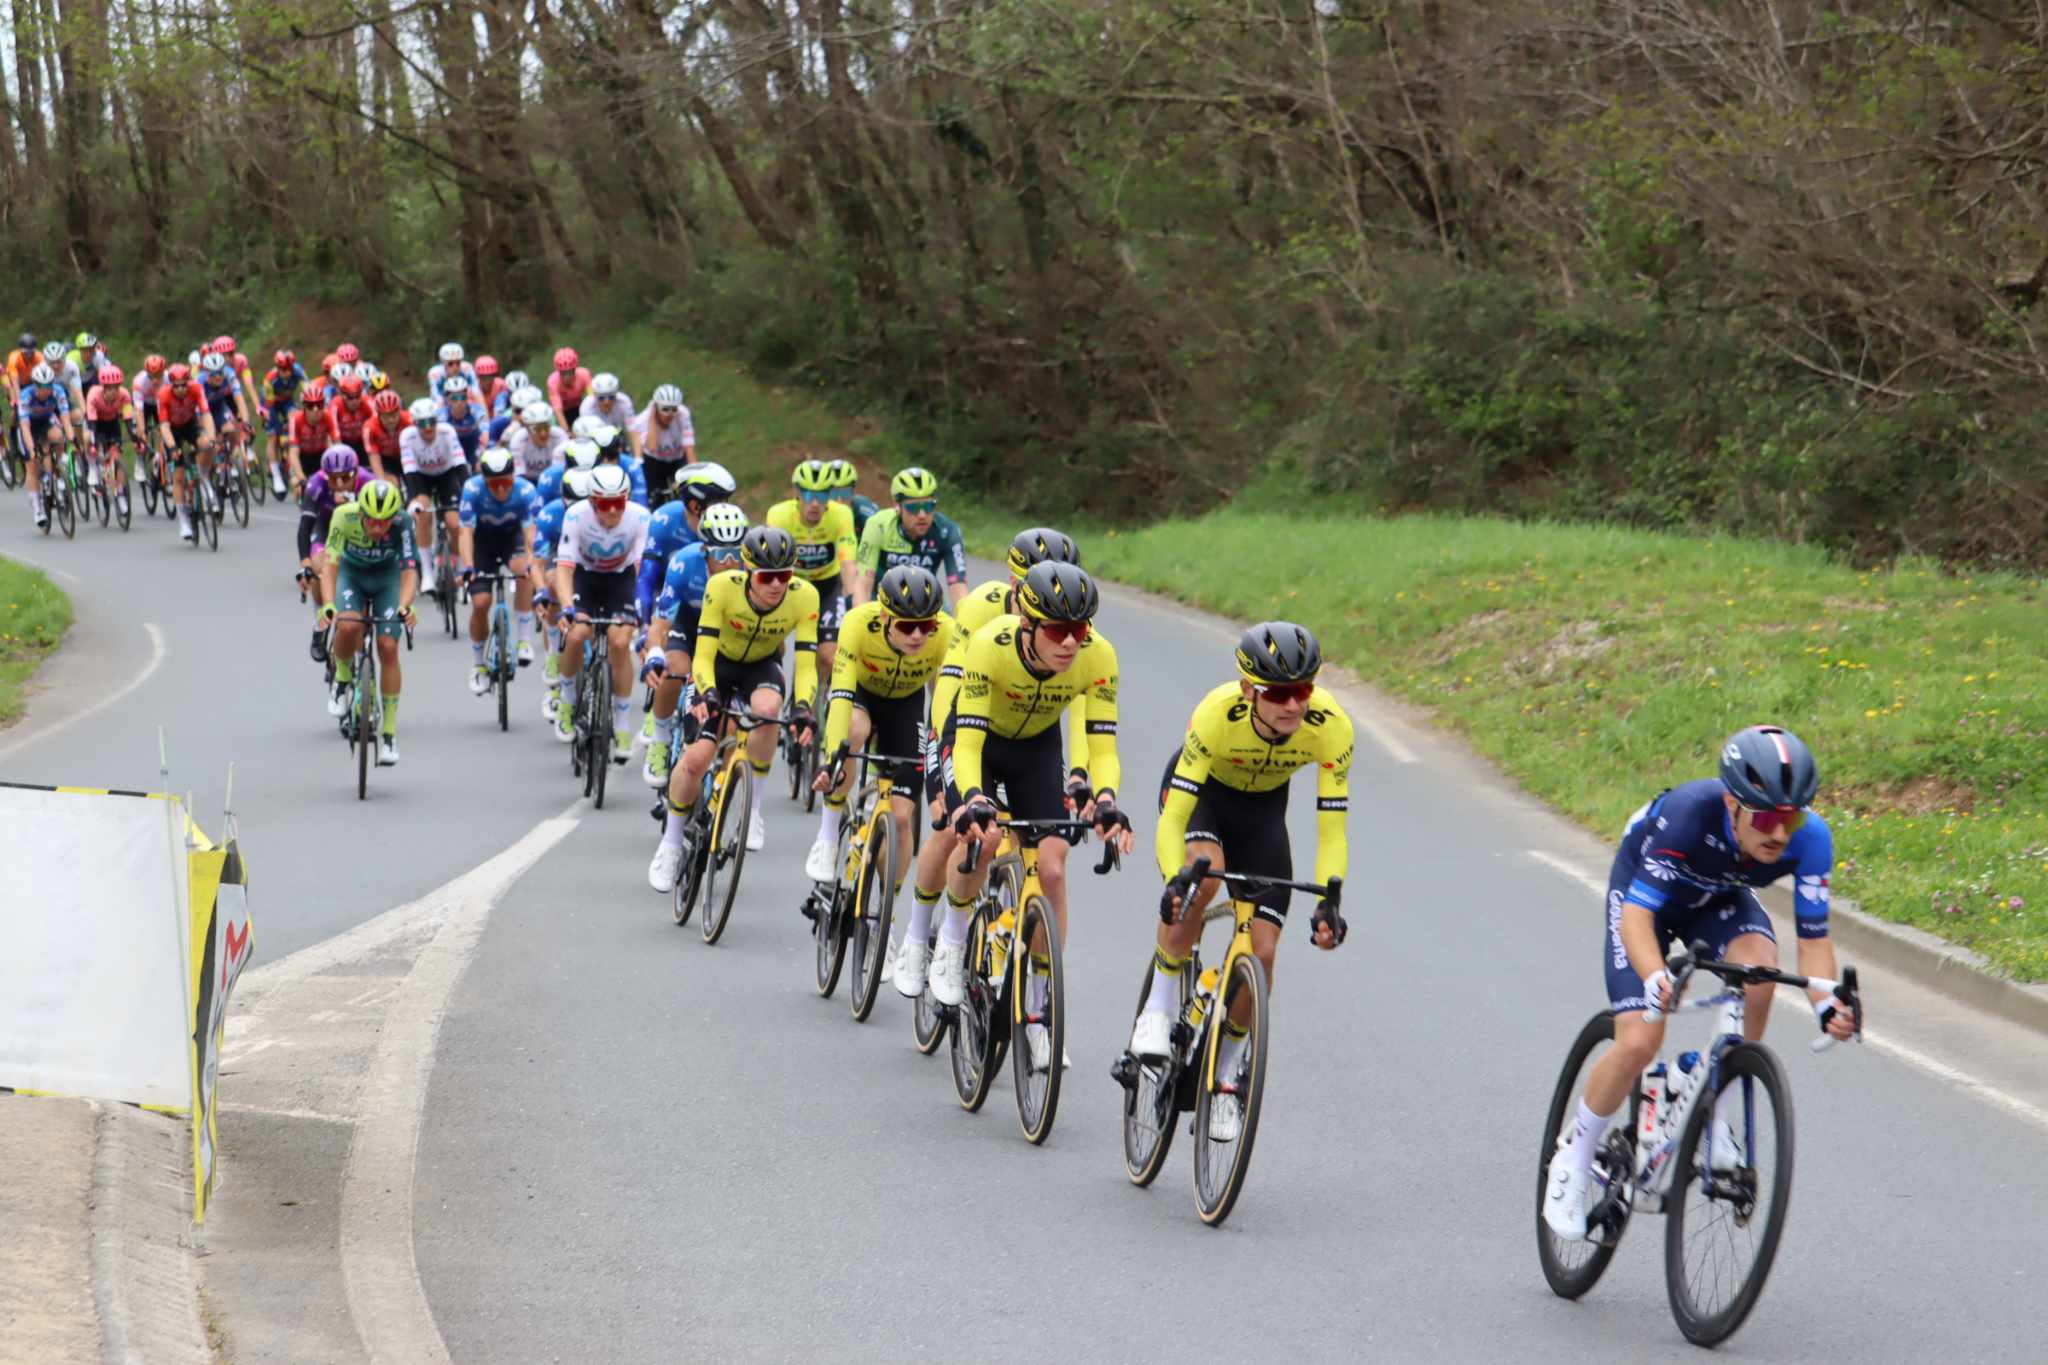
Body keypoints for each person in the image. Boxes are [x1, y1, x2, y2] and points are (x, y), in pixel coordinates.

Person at [1541, 725, 1860, 1242]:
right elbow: (1638, 917)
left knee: (1760, 970)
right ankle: (1573, 1158)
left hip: (1715, 900)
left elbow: (1814, 939)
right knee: (1641, 1040)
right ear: (1733, 803)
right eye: (1766, 818)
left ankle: (1713, 1099)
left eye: (1792, 817)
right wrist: (1654, 977)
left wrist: (1827, 1003)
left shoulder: (1812, 840)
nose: (1780, 834)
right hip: (1646, 902)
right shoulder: (1690, 813)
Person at [1130, 623, 1354, 1140]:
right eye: (1279, 693)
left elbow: (1332, 827)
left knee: (1264, 954)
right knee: (1202, 877)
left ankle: (1227, 1074)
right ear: (1250, 690)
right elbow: (1173, 817)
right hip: (1204, 796)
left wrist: (1330, 899)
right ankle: (1159, 1008)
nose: (1294, 706)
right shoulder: (1216, 714)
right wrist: (1173, 880)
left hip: (1262, 814)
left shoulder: (1332, 727)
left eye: (1304, 690)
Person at [647, 526, 818, 890]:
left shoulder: (805, 597)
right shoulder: (723, 588)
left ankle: (752, 810)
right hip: (718, 667)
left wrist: (803, 706)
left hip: (761, 666)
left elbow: (804, 664)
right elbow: (704, 653)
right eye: (767, 576)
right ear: (747, 571)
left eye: (784, 576)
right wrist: (705, 693)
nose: (777, 585)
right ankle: (672, 842)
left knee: (769, 708)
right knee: (696, 758)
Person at [804, 565, 955, 883]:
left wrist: (940, 756)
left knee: (901, 818)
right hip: (860, 693)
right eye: (907, 626)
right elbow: (842, 693)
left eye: (926, 625)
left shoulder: (944, 633)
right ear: (885, 618)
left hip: (906, 704)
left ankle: (884, 920)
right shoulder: (858, 624)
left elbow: (944, 702)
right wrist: (834, 757)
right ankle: (828, 836)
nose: (918, 635)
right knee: (855, 729)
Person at [640, 503, 751, 788]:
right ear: (704, 550)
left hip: (730, 636)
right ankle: (662, 739)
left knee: (733, 722)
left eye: (735, 553)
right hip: (688, 627)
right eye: (720, 553)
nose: (729, 561)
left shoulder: (752, 572)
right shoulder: (683, 563)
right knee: (674, 668)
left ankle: (721, 791)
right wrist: (654, 653)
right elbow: (661, 624)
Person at [551, 463, 652, 763]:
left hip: (621, 580)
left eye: (618, 503)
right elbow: (564, 569)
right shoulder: (576, 515)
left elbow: (641, 571)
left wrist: (641, 613)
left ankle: (621, 726)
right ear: (592, 501)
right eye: (604, 505)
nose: (612, 511)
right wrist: (568, 608)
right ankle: (568, 702)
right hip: (585, 577)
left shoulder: (639, 517)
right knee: (577, 633)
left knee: (620, 643)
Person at [319, 479, 419, 765]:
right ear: (361, 514)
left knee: (388, 646)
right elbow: (330, 564)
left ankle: (388, 731)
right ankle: (342, 678)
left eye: (384, 523)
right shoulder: (343, 516)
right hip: (352, 575)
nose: (377, 528)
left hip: (387, 579)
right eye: (372, 522)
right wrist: (328, 604)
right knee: (348, 624)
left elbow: (410, 571)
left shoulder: (403, 523)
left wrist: (404, 605)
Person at [767, 458, 858, 702]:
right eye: (808, 495)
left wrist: (853, 605)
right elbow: (772, 563)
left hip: (826, 587)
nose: (815, 503)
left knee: (829, 655)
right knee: (773, 647)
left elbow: (849, 564)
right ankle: (777, 692)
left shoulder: (841, 515)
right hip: (789, 586)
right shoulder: (779, 515)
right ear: (797, 494)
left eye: (822, 495)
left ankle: (810, 700)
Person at [457, 446, 542, 691]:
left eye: (506, 482)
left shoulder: (526, 491)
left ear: (513, 476)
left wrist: (532, 564)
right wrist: (469, 566)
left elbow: (530, 534)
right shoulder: (472, 490)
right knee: (481, 602)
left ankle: (524, 640)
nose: (502, 489)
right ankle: (478, 664)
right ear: (484, 481)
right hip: (482, 544)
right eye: (494, 485)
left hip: (511, 540)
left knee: (523, 569)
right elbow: (465, 533)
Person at [852, 466, 969, 608]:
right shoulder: (878, 526)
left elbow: (959, 590)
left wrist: (965, 626)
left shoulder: (948, 531)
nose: (922, 515)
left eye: (929, 506)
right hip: (882, 604)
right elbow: (863, 586)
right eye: (913, 508)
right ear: (897, 506)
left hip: (925, 605)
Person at [298, 445, 363, 660]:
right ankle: (320, 625)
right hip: (324, 530)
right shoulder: (316, 484)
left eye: (345, 477)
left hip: (357, 534)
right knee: (319, 567)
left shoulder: (367, 482)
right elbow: (305, 526)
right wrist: (305, 562)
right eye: (333, 478)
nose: (339, 483)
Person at [400, 398, 467, 597]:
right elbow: (409, 470)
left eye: (431, 422)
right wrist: (414, 501)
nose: (428, 428)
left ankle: (460, 567)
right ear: (415, 424)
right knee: (423, 514)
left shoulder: (447, 432)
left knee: (454, 523)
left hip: (447, 475)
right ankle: (428, 574)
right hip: (421, 477)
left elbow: (460, 465)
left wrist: (469, 495)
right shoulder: (407, 437)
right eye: (422, 423)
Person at [155, 361, 218, 542]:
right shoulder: (164, 395)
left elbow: (206, 415)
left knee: (206, 445)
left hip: (190, 425)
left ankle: (203, 477)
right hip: (172, 431)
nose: (182, 389)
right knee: (179, 476)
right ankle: (183, 519)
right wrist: (173, 447)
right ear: (171, 385)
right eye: (177, 386)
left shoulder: (196, 389)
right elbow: (164, 426)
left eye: (184, 385)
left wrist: (212, 438)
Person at [16, 363, 75, 529]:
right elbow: (25, 428)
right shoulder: (26, 397)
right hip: (29, 428)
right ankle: (37, 507)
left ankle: (59, 471)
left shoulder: (58, 391)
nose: (46, 389)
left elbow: (65, 419)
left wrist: (72, 438)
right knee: (32, 465)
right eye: (43, 386)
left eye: (49, 385)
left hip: (46, 422)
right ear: (35, 385)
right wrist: (32, 450)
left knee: (59, 436)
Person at [81, 365, 134, 516]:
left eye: (116, 388)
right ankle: (92, 467)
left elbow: (128, 419)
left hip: (112, 423)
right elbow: (91, 423)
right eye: (109, 388)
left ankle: (120, 494)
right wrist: (92, 443)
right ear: (103, 387)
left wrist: (135, 437)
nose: (113, 392)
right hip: (95, 422)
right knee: (87, 438)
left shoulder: (124, 395)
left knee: (116, 457)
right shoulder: (93, 395)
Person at [632, 383, 695, 494]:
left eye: (674, 409)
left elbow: (689, 451)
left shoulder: (683, 414)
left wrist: (693, 474)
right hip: (654, 461)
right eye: (665, 409)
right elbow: (652, 447)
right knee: (655, 496)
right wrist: (652, 419)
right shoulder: (644, 419)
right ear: (656, 407)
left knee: (687, 490)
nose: (670, 414)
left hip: (677, 459)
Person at [260, 349, 308, 496]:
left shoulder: (298, 371)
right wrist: (269, 421)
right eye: (282, 369)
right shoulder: (270, 379)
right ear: (277, 367)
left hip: (287, 402)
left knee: (295, 418)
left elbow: (307, 389)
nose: (286, 372)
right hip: (270, 404)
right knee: (273, 436)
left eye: (289, 369)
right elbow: (268, 404)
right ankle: (275, 475)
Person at [327, 374, 378, 473]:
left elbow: (377, 423)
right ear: (342, 395)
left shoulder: (368, 401)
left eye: (357, 396)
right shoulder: (335, 405)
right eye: (350, 398)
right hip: (343, 442)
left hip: (363, 441)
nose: (354, 401)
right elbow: (334, 431)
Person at [507, 400, 566, 483]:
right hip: (528, 481)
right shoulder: (518, 440)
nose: (543, 433)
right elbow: (519, 477)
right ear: (527, 428)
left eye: (546, 427)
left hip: (554, 480)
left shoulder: (559, 436)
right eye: (537, 429)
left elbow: (562, 472)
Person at [439, 375, 485, 466]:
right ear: (448, 399)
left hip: (473, 447)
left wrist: (480, 457)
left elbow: (485, 436)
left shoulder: (476, 410)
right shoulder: (441, 415)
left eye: (462, 397)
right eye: (455, 398)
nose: (459, 402)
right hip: (451, 449)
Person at [825, 458, 877, 537]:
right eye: (833, 493)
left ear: (854, 491)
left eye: (845, 492)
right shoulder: (813, 514)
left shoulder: (865, 511)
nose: (839, 500)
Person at [547, 347, 592, 429]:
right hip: (563, 411)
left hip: (580, 406)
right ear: (558, 371)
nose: (567, 377)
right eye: (563, 373)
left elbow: (592, 399)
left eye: (570, 372)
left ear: (575, 369)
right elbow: (558, 411)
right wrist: (567, 432)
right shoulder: (553, 381)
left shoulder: (584, 374)